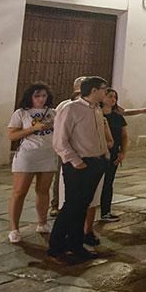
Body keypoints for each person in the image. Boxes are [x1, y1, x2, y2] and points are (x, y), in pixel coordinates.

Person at [49, 76, 110, 263]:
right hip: (79, 164)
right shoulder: (71, 109)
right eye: (103, 89)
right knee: (71, 206)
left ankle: (75, 244)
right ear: (93, 91)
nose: (105, 93)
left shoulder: (96, 109)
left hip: (96, 163)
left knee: (82, 206)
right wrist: (75, 161)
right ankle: (56, 245)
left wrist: (104, 155)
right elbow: (60, 140)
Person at [6, 83, 59, 243]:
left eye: (43, 96)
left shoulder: (53, 113)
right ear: (30, 96)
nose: (41, 99)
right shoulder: (21, 113)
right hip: (28, 155)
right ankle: (14, 228)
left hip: (48, 155)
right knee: (19, 192)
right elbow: (12, 136)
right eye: (37, 96)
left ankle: (42, 223)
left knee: (43, 190)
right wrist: (32, 129)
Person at [98, 88, 128, 223]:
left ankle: (106, 211)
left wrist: (123, 152)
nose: (112, 99)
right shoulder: (95, 115)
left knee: (108, 182)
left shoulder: (117, 117)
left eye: (115, 97)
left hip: (113, 153)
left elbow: (124, 136)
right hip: (97, 153)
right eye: (110, 96)